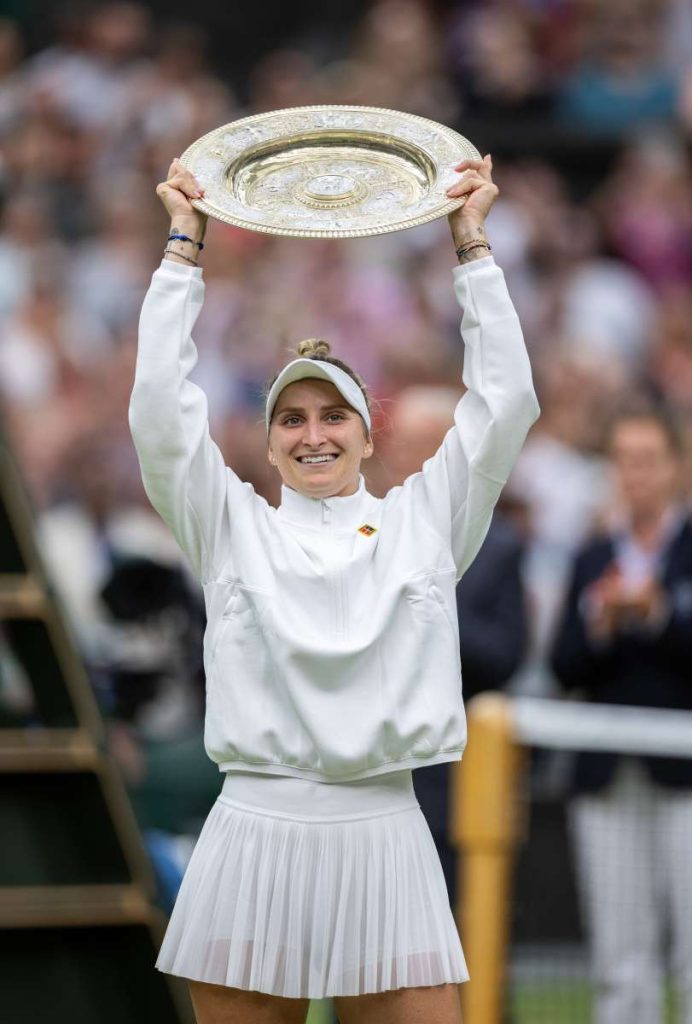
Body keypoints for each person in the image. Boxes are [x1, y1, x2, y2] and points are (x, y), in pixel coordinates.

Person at [128, 152, 540, 1024]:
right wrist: (182, 252)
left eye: (331, 415)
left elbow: (503, 404)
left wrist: (472, 250)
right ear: (269, 442)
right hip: (254, 833)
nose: (312, 435)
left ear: (366, 433)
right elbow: (161, 413)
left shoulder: (426, 519)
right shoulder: (228, 523)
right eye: (291, 418)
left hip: (385, 834)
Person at [551, 402, 692, 1024]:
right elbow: (561, 663)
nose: (636, 475)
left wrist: (660, 613)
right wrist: (602, 623)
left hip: (685, 776)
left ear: (676, 468)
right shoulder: (590, 555)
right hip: (607, 777)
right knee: (618, 951)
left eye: (648, 461)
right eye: (624, 462)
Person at [383, 384, 528, 905]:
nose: (406, 456)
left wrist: (429, 606)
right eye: (400, 442)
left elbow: (506, 656)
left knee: (451, 915)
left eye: (424, 443)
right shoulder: (365, 524)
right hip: (372, 755)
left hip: (454, 771)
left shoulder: (499, 543)